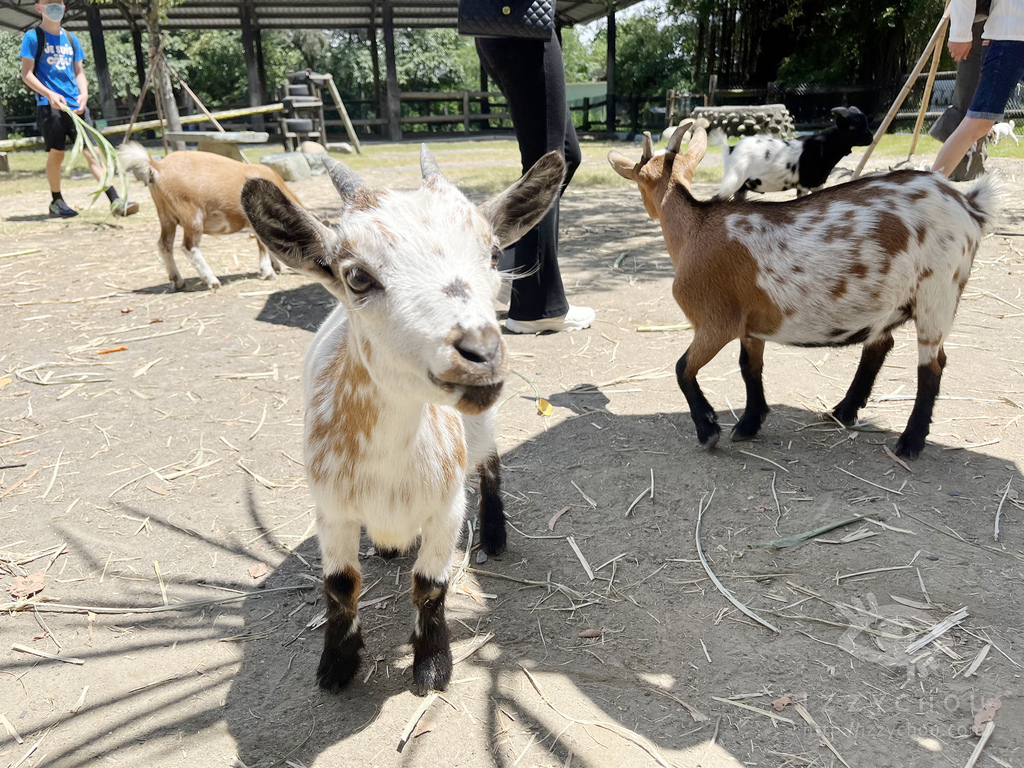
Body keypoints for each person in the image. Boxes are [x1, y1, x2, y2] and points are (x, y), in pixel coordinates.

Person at [475, 31, 595, 334]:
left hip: (516, 28)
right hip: (523, 30)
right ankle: (537, 307)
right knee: (546, 160)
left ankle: (512, 261)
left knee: (565, 155)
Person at [19, 0, 138, 218]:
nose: (55, 6)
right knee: (57, 154)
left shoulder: (72, 39)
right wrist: (50, 94)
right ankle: (57, 200)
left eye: (59, 2)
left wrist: (84, 94)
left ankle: (115, 200)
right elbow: (26, 74)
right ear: (38, 7)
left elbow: (79, 72)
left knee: (93, 152)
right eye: (49, 2)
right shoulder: (33, 37)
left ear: (64, 7)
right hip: (50, 107)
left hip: (77, 108)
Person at [931, 0, 1024, 178]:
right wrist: (960, 33)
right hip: (1008, 34)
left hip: (1011, 31)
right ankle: (927, 190)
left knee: (978, 122)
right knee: (979, 122)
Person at [928, 0, 991, 180]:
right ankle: (958, 168)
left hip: (995, 25)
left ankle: (971, 167)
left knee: (980, 109)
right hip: (978, 25)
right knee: (969, 106)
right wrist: (961, 33)